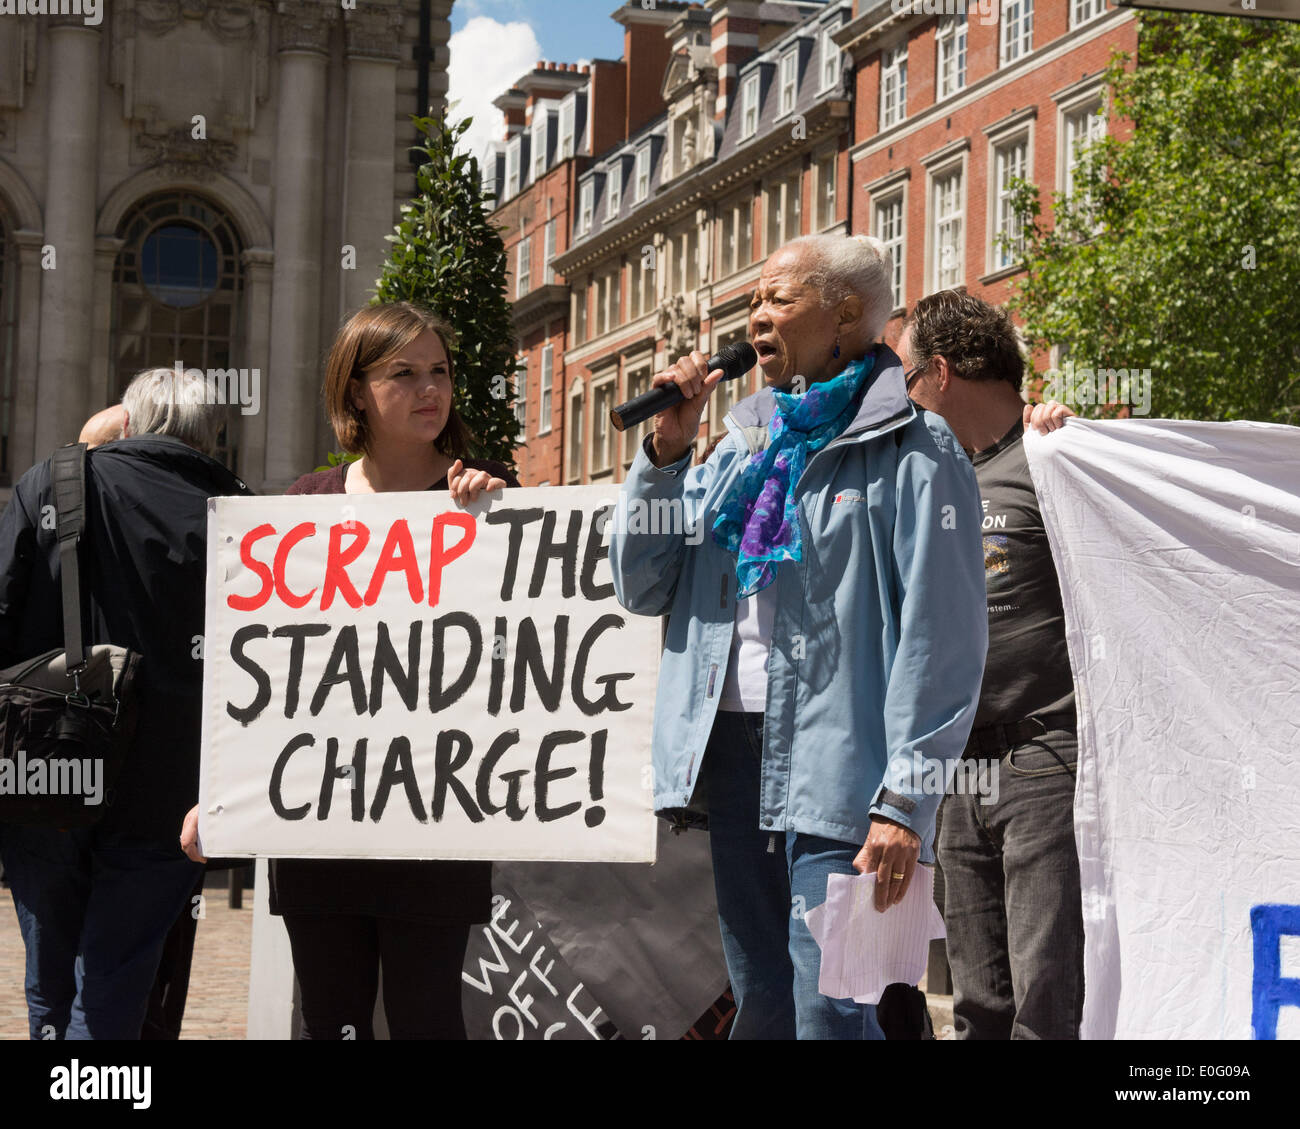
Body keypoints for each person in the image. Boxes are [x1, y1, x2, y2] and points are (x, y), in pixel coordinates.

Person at [608, 234, 989, 1040]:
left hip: (847, 779)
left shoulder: (916, 450)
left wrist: (906, 801)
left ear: (845, 312)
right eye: (752, 301)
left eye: (778, 299)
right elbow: (644, 582)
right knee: (765, 1010)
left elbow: (943, 641)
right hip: (733, 762)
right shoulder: (740, 444)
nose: (755, 317)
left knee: (832, 1014)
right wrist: (665, 452)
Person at [182, 301, 514, 1040]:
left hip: (434, 820)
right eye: (405, 373)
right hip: (322, 820)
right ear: (357, 391)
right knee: (330, 1020)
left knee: (428, 1019)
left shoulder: (488, 495)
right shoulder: (306, 503)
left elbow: (515, 657)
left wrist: (495, 527)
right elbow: (266, 670)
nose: (430, 389)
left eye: (440, 371)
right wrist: (222, 793)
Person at [0, 367, 250, 1040]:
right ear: (211, 436)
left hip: (42, 764)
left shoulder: (53, 482)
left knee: (49, 982)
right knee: (114, 985)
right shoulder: (241, 515)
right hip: (171, 792)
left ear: (130, 422)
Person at [897, 289, 1083, 1039]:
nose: (905, 400)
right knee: (977, 1007)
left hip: (1044, 758)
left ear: (941, 372)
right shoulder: (937, 479)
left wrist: (1073, 434)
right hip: (958, 768)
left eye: (909, 380)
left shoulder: (1056, 459)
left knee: (1048, 999)